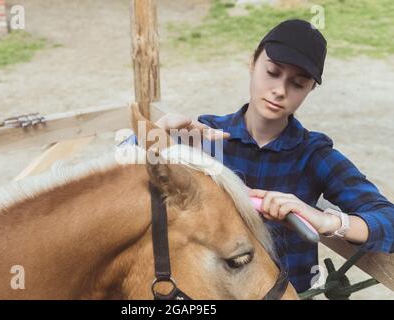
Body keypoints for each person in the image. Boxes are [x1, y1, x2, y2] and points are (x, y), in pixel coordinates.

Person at [122, 19, 394, 293]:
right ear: (252, 63)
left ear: (310, 89)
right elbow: (119, 181)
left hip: (286, 293)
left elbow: (388, 220)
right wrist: (157, 135)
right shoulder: (204, 138)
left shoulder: (313, 154)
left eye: (297, 83)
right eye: (272, 72)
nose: (280, 90)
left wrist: (327, 221)